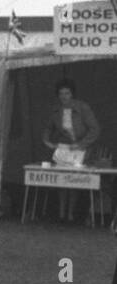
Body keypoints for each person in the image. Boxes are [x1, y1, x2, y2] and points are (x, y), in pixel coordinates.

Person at [42, 78, 101, 223]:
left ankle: (71, 214)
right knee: (62, 180)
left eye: (67, 93)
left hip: (80, 149)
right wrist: (47, 141)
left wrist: (81, 144)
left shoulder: (82, 108)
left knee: (74, 180)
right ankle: (62, 213)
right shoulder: (56, 110)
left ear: (72, 94)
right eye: (61, 94)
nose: (64, 96)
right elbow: (48, 128)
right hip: (65, 148)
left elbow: (95, 129)